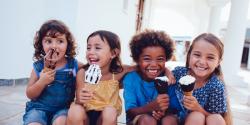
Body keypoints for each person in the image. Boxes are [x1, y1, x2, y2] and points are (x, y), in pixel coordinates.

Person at [23, 20, 80, 125]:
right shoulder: (38, 66)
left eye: (60, 41)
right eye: (49, 41)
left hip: (63, 109)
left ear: (68, 44)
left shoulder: (73, 65)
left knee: (61, 122)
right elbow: (30, 94)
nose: (54, 46)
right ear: (41, 44)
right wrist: (41, 82)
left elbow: (90, 68)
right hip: (38, 108)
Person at [169, 33, 232, 125]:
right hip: (175, 118)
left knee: (201, 116)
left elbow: (215, 117)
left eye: (210, 57)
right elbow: (164, 76)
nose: (202, 62)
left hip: (199, 121)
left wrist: (198, 108)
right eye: (197, 55)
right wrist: (167, 71)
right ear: (189, 54)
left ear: (218, 62)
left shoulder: (216, 85)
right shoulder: (179, 73)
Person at [123, 30, 178, 125]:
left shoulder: (169, 79)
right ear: (137, 59)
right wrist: (151, 107)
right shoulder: (130, 79)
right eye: (147, 59)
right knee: (147, 120)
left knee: (169, 120)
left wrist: (163, 112)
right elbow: (130, 112)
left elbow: (175, 108)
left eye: (160, 59)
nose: (154, 64)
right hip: (140, 119)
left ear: (166, 59)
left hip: (164, 117)